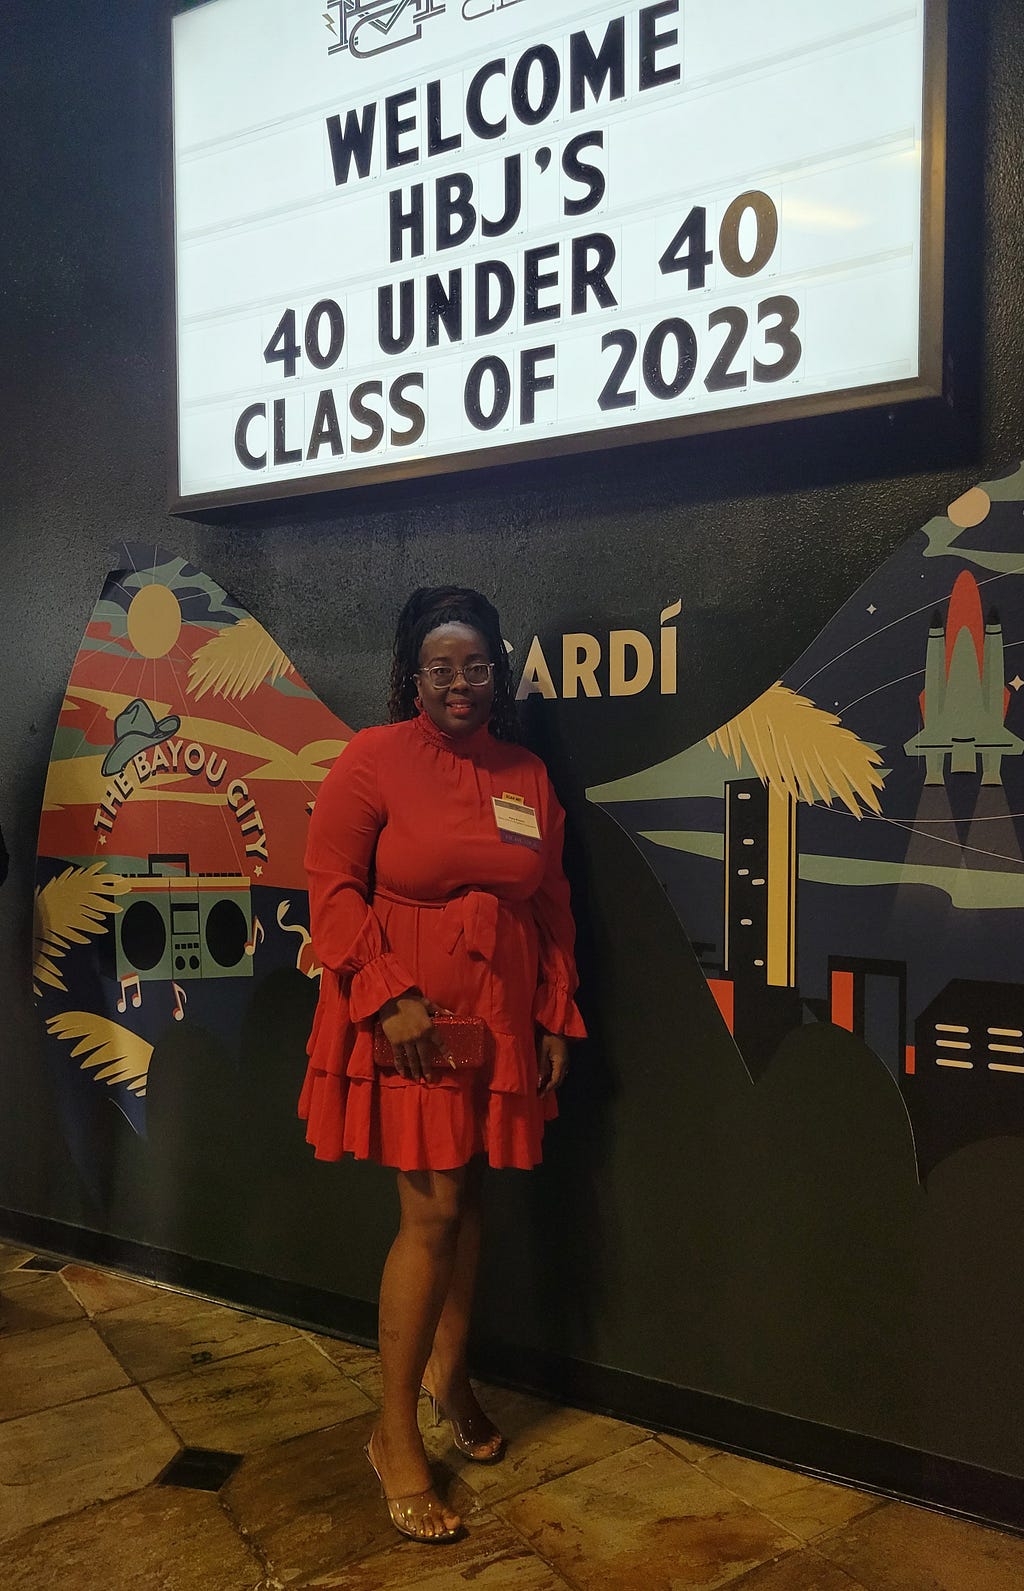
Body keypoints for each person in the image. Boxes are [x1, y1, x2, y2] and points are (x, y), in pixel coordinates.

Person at [299, 586, 585, 1544]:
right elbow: (329, 888)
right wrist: (387, 994)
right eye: (440, 668)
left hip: (496, 1019)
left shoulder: (526, 771)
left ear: (498, 672)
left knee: (469, 1204)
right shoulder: (372, 758)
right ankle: (392, 1434)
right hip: (408, 1021)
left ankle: (449, 1377)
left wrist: (551, 1015)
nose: (461, 683)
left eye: (477, 666)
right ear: (411, 676)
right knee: (429, 1214)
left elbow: (550, 906)